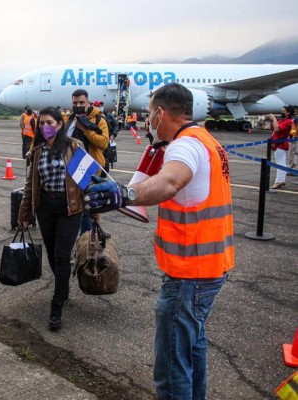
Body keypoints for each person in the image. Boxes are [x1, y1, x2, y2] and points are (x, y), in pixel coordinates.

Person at [85, 83, 234, 399]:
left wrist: (124, 194)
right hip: (212, 265)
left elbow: (171, 180)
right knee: (193, 348)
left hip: (189, 274)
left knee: (171, 367)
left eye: (149, 113)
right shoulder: (207, 141)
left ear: (161, 112)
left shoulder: (184, 146)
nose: (148, 120)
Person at [18, 106, 84, 330]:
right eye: (42, 123)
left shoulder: (74, 147)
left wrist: (95, 215)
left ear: (59, 124)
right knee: (53, 257)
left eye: (50, 123)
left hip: (70, 208)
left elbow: (87, 181)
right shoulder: (37, 150)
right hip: (46, 208)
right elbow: (31, 185)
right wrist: (24, 213)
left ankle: (57, 304)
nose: (46, 127)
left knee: (62, 255)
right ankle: (63, 288)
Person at [66, 89, 109, 233]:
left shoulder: (98, 120)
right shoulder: (70, 119)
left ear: (88, 103)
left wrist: (85, 130)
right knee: (82, 208)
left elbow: (103, 143)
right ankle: (88, 237)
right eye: (75, 103)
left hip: (92, 169)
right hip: (73, 169)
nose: (78, 105)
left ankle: (87, 240)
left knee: (88, 208)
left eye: (81, 102)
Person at [268, 105, 294, 189]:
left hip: (281, 143)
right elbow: (273, 128)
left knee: (280, 162)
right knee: (280, 161)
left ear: (288, 113)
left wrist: (274, 119)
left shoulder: (288, 121)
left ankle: (279, 181)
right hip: (278, 143)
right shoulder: (283, 120)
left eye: (283, 111)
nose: (281, 112)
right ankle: (280, 180)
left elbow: (277, 129)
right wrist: (272, 120)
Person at [286, 105, 298, 172]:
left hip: (295, 138)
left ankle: (293, 169)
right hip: (294, 137)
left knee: (292, 153)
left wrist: (294, 136)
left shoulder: (296, 118)